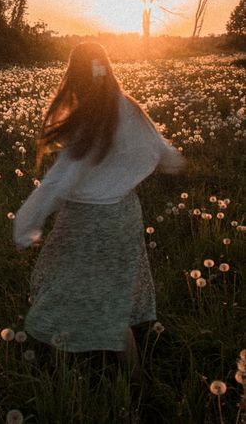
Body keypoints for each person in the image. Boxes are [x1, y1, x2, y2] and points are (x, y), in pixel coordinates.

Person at [13, 41, 186, 379]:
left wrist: (26, 224)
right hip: (123, 216)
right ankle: (136, 387)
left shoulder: (86, 122)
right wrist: (172, 161)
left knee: (67, 291)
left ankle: (62, 383)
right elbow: (163, 151)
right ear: (108, 68)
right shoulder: (131, 109)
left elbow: (58, 182)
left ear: (73, 76)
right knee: (112, 297)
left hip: (85, 221)